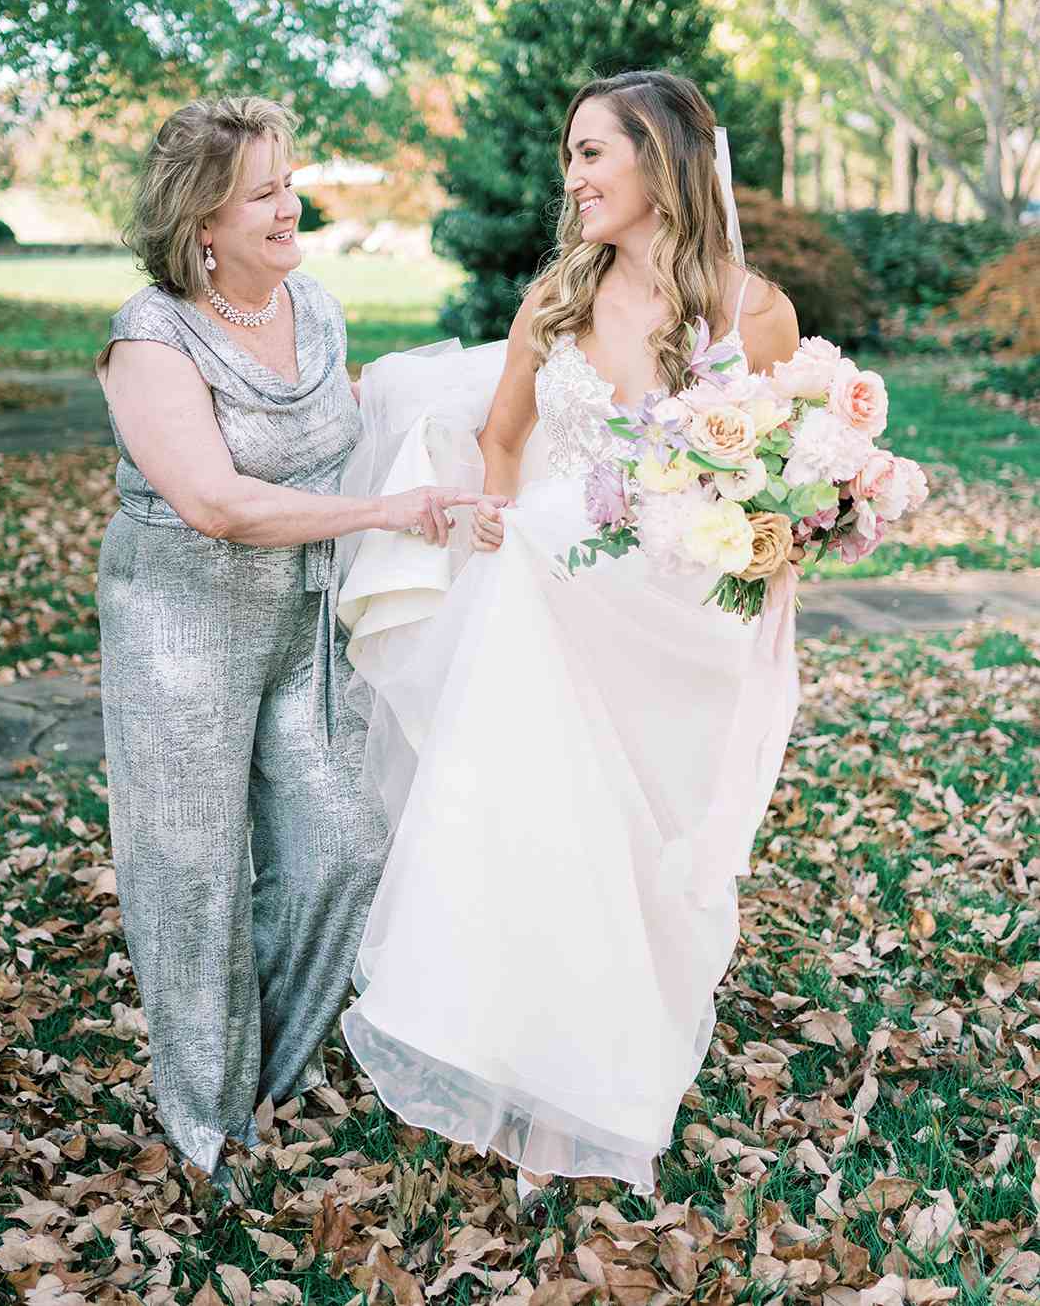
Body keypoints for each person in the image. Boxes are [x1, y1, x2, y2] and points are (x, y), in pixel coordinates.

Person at [336, 71, 803, 1204]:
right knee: (527, 830)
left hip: (673, 621)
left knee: (649, 855)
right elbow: (502, 444)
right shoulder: (554, 299)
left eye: (593, 153)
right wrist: (494, 560)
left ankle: (617, 1040)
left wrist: (774, 545)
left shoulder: (751, 313)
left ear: (662, 159)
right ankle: (512, 1054)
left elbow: (780, 491)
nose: (573, 178)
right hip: (541, 606)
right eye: (570, 156)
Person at [94, 94, 483, 1184]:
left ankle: (255, 1069)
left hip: (303, 610)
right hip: (181, 615)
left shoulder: (313, 306)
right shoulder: (149, 337)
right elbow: (216, 503)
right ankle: (205, 1119)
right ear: (201, 221)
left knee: (344, 843)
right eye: (261, 190)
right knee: (194, 876)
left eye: (287, 180)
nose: (288, 204)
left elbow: (348, 430)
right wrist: (382, 517)